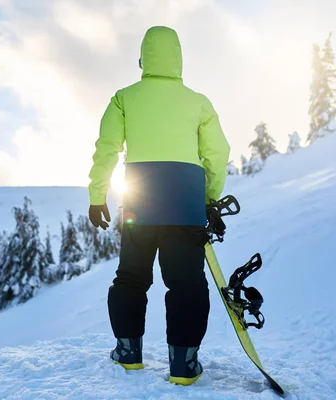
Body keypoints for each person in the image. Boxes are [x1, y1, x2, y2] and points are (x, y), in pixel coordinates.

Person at [88, 25, 230, 385]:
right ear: (179, 59)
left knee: (131, 279)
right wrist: (209, 198)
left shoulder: (124, 98)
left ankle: (128, 352)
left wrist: (97, 196)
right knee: (186, 284)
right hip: (185, 204)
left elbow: (107, 150)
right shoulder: (198, 102)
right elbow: (218, 154)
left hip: (140, 203)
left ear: (143, 59)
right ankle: (183, 364)